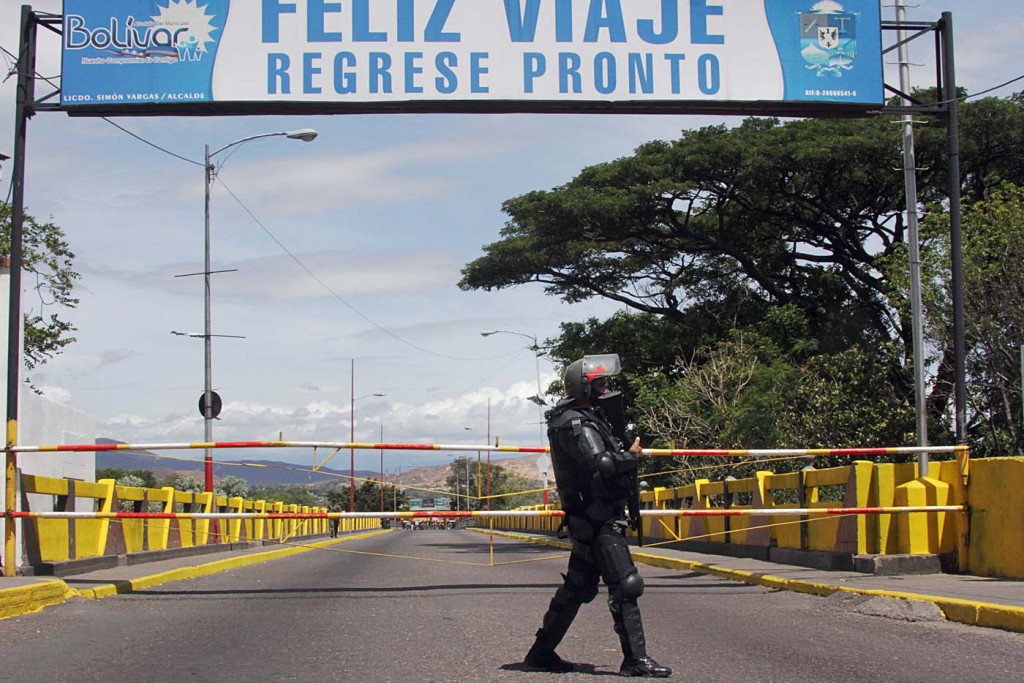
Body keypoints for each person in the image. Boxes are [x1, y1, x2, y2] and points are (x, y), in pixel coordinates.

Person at [524, 354, 671, 678]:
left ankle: (540, 653)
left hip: (592, 516)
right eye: (600, 384)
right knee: (626, 583)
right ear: (584, 387)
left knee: (578, 588)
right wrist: (631, 457)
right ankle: (635, 659)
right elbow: (602, 464)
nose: (606, 389)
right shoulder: (576, 422)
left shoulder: (582, 417)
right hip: (597, 518)